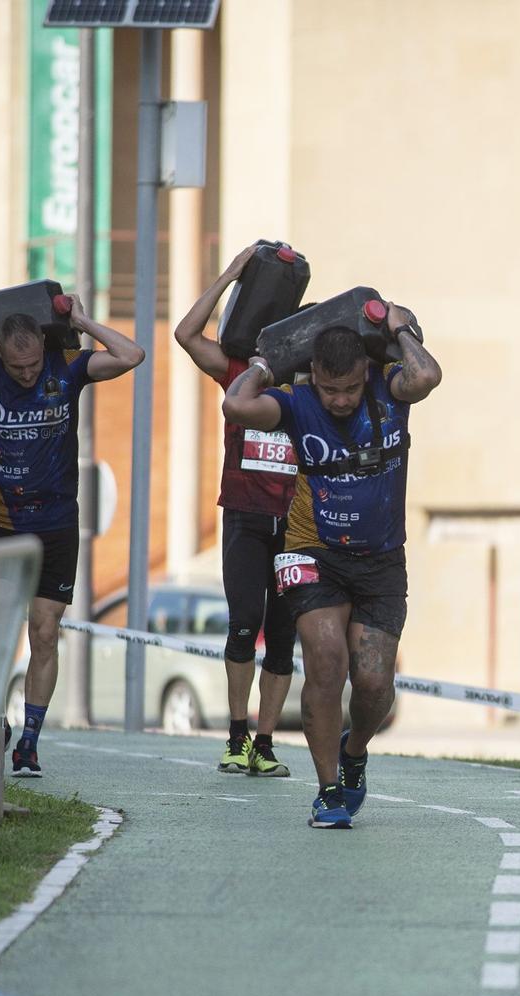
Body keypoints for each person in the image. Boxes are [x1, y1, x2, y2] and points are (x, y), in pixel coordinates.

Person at [221, 308, 440, 828]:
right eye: (328, 390)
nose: (339, 401)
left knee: (371, 682)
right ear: (312, 377)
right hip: (313, 551)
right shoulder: (295, 404)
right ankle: (328, 790)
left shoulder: (390, 390)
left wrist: (399, 330)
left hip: (382, 558)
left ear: (365, 372)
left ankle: (356, 750)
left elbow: (427, 374)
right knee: (324, 659)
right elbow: (235, 404)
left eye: (348, 389)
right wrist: (266, 364)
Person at [0, 292, 144, 777]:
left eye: (33, 362)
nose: (27, 374)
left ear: (42, 344)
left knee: (45, 632)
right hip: (1, 520)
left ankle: (30, 743)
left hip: (58, 522)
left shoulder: (68, 367)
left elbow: (131, 355)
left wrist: (81, 319)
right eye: (17, 366)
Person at [173, 244, 302, 777]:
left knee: (285, 632)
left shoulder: (311, 380)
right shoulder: (239, 372)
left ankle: (266, 746)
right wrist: (230, 274)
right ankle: (235, 737)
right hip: (245, 514)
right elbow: (185, 334)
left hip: (295, 524)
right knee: (245, 624)